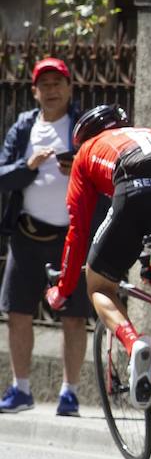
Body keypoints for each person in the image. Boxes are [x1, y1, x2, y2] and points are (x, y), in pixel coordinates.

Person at [45, 106, 151, 410]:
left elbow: (78, 228)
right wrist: (150, 262)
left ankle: (134, 342)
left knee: (99, 285)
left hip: (133, 181)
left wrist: (63, 288)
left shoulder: (86, 150)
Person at [0, 58, 91, 415]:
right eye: (45, 84)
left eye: (58, 83)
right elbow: (4, 175)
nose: (51, 90)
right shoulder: (25, 126)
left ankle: (70, 393)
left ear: (69, 88)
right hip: (27, 234)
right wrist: (29, 167)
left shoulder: (82, 125)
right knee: (17, 312)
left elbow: (103, 169)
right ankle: (20, 388)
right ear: (35, 91)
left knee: (73, 315)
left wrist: (78, 164)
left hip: (72, 237)